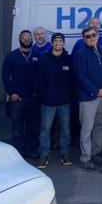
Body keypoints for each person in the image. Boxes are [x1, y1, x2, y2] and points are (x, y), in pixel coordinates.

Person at [73, 26, 102, 171]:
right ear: (83, 39)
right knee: (87, 129)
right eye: (87, 36)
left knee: (100, 127)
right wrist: (96, 91)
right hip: (88, 98)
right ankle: (85, 158)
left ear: (98, 35)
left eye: (93, 35)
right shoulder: (81, 54)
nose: (91, 38)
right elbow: (81, 77)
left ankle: (96, 153)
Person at [1, 30, 41, 158]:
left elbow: (42, 75)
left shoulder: (38, 55)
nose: (27, 39)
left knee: (33, 126)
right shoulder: (12, 56)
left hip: (33, 98)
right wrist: (11, 93)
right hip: (17, 98)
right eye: (24, 38)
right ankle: (18, 152)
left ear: (32, 39)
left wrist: (39, 92)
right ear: (19, 39)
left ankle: (31, 150)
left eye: (29, 38)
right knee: (18, 128)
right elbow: (5, 76)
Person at [37, 33, 74, 168]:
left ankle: (64, 153)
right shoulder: (44, 59)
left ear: (63, 43)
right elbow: (39, 80)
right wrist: (44, 95)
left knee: (65, 129)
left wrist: (68, 95)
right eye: (56, 41)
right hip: (47, 103)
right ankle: (44, 155)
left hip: (64, 102)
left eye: (60, 41)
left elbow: (72, 80)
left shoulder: (69, 59)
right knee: (45, 130)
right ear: (52, 43)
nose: (58, 43)